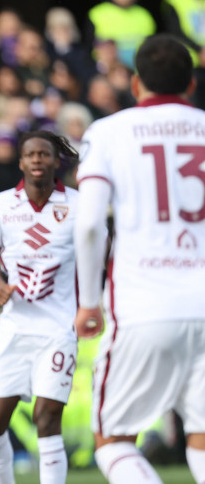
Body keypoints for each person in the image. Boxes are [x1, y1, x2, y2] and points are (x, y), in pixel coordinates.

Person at [75, 34, 205, 484]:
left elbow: (89, 222)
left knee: (113, 441)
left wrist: (89, 302)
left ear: (135, 84)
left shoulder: (109, 131)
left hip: (145, 305)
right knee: (202, 438)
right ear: (190, 85)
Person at [0, 130, 81, 484]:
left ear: (56, 161)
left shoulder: (79, 206)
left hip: (59, 329)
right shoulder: (1, 206)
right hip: (15, 328)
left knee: (46, 418)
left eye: (44, 154)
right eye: (31, 154)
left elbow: (101, 256)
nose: (37, 159)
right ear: (20, 162)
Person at [86, 0, 155, 69]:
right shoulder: (97, 13)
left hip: (140, 71)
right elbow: (88, 47)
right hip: (110, 74)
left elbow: (152, 46)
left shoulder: (144, 15)